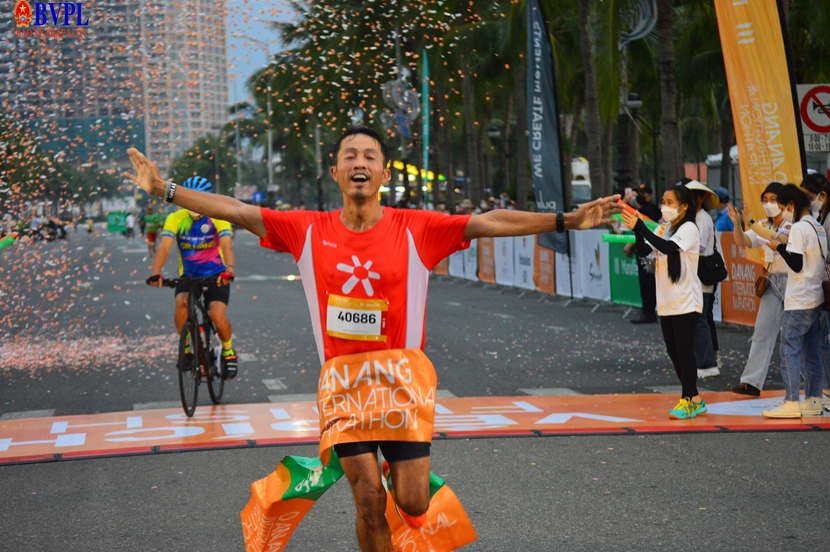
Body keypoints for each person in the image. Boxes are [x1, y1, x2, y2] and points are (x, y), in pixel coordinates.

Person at [124, 127, 621, 552]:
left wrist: (569, 220)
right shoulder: (305, 229)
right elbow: (235, 210)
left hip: (402, 382)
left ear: (383, 173)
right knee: (367, 498)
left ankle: (403, 481)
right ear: (335, 173)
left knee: (413, 501)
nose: (359, 163)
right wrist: (164, 189)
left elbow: (489, 222)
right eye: (349, 156)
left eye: (369, 157)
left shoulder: (417, 227)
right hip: (343, 387)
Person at [622, 184, 706, 419]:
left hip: (686, 300)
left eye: (670, 203)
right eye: (663, 202)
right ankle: (694, 398)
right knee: (673, 351)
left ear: (684, 206)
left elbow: (668, 248)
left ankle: (687, 400)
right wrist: (637, 231)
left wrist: (642, 227)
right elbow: (644, 251)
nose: (665, 207)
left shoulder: (689, 228)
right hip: (667, 300)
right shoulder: (664, 228)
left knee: (684, 351)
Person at [147, 177, 239, 379]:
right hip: (188, 276)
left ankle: (228, 351)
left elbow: (226, 245)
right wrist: (156, 273)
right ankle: (187, 349)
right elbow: (164, 247)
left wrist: (229, 269)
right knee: (181, 304)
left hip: (217, 275)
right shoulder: (176, 218)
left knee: (216, 315)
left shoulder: (218, 216)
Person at [762, 184, 828, 418]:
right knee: (812, 350)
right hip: (816, 296)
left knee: (789, 348)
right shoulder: (817, 225)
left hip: (799, 298)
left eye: (783, 208)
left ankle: (791, 401)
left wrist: (779, 247)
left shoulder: (799, 228)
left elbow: (796, 264)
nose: (783, 213)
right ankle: (813, 399)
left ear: (791, 205)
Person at [727, 183, 790, 396]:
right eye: (765, 200)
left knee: (799, 336)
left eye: (773, 199)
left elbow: (776, 238)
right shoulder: (762, 224)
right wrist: (738, 224)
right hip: (771, 281)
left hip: (795, 281)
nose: (769, 204)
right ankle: (751, 382)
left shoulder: (792, 223)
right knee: (762, 332)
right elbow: (743, 240)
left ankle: (817, 384)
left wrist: (750, 223)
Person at [684, 179, 721, 378]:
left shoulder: (702, 218)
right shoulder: (694, 218)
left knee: (700, 320)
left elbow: (698, 247)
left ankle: (707, 363)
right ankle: (702, 361)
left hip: (701, 275)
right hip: (695, 274)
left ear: (701, 198)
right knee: (698, 320)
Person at [799, 172, 830, 409]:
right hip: (824, 282)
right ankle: (824, 388)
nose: (807, 202)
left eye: (809, 197)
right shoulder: (821, 216)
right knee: (822, 338)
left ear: (822, 195)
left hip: (825, 281)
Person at [628, 184, 661, 324]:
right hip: (646, 248)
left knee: (647, 282)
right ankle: (647, 310)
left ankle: (649, 312)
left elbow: (646, 230)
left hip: (648, 249)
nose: (640, 197)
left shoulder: (649, 211)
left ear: (649, 195)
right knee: (646, 282)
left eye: (643, 194)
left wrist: (631, 244)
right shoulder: (645, 209)